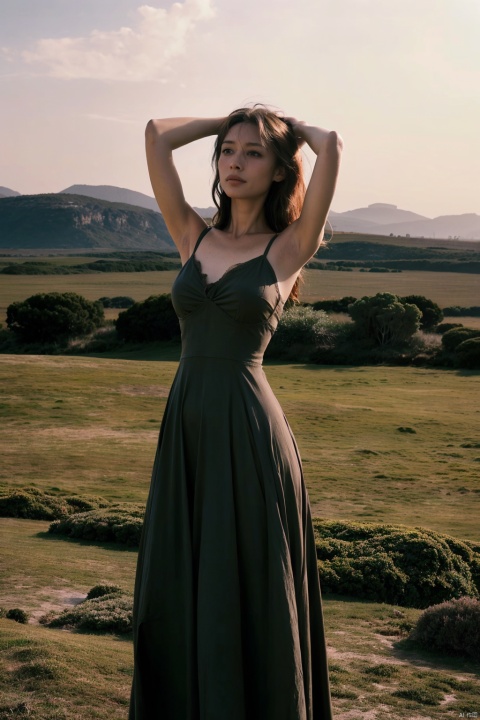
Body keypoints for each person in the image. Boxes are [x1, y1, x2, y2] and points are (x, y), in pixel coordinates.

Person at [129, 106, 343, 720]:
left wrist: (290, 129)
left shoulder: (291, 246)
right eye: (227, 151)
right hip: (187, 423)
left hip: (250, 429)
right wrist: (232, 117)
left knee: (251, 580)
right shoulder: (192, 234)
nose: (235, 162)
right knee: (177, 581)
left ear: (280, 171)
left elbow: (333, 148)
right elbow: (156, 136)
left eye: (252, 153)